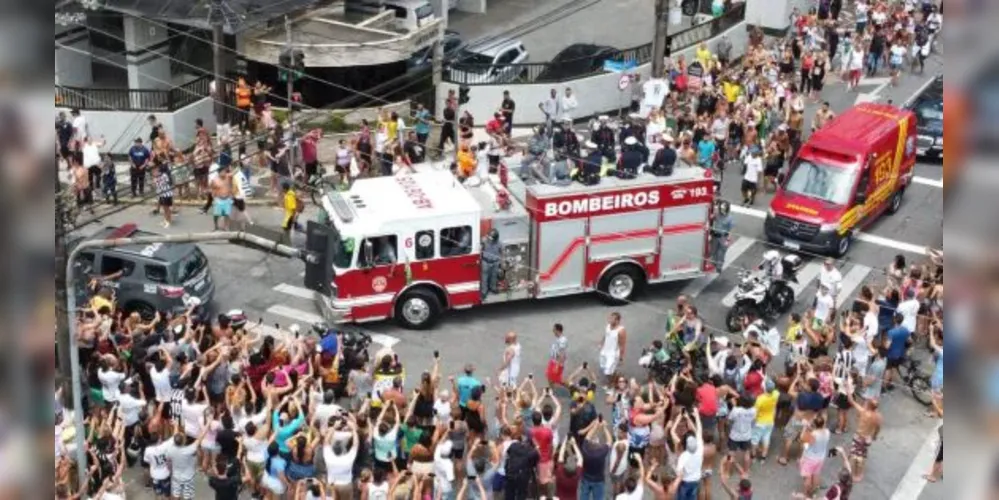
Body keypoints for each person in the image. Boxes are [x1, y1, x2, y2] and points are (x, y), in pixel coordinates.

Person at [798, 415, 830, 498]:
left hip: (810, 458)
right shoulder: (827, 432)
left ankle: (805, 494)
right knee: (816, 474)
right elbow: (818, 430)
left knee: (807, 477)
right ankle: (813, 491)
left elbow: (802, 438)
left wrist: (805, 427)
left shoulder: (813, 435)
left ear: (814, 425)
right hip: (820, 458)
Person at [598, 312, 627, 389]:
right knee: (604, 367)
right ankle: (616, 376)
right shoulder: (608, 326)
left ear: (617, 321)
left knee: (608, 372)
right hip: (604, 352)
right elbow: (605, 335)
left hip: (613, 354)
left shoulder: (621, 331)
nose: (609, 320)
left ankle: (611, 384)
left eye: (612, 319)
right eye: (610, 318)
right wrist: (601, 343)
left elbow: (622, 345)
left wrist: (621, 357)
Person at [481, 229, 501, 300]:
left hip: (495, 262)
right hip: (485, 262)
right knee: (484, 278)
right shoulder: (484, 240)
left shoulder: (499, 243)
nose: (490, 240)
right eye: (489, 237)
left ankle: (493, 288)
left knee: (494, 276)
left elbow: (501, 252)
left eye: (492, 238)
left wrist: (500, 263)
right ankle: (484, 292)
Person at [546, 323, 568, 389]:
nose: (553, 331)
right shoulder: (558, 338)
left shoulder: (562, 340)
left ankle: (572, 387)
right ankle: (550, 390)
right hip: (553, 360)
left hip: (557, 362)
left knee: (558, 379)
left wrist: (557, 365)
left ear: (558, 330)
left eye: (554, 330)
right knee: (549, 375)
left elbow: (562, 354)